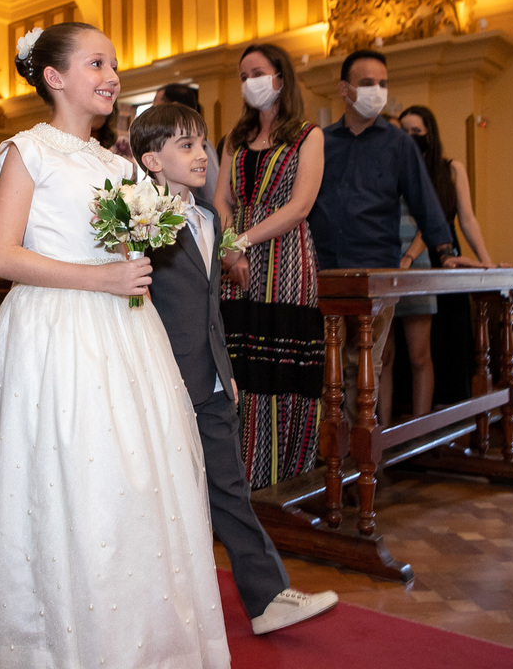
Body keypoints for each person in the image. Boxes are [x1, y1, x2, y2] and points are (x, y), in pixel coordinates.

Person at [0, 22, 229, 668]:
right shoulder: (29, 151)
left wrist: (139, 250)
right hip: (56, 328)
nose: (111, 74)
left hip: (127, 330)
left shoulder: (119, 163)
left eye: (113, 63)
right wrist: (99, 277)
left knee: (136, 476)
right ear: (54, 77)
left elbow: (137, 244)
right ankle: (50, 629)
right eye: (96, 62)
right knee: (70, 472)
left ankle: (143, 624)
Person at [132, 102, 338, 635]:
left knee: (229, 487)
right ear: (151, 161)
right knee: (156, 495)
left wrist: (228, 372)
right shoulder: (139, 224)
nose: (203, 155)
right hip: (161, 379)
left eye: (202, 143)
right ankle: (148, 605)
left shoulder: (207, 220)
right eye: (186, 146)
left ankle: (268, 598)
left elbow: (209, 309)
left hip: (212, 380)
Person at [309, 50, 480, 420]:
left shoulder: (398, 143)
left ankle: (361, 458)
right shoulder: (319, 142)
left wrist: (446, 250)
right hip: (325, 271)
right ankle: (328, 455)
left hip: (376, 274)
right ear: (344, 89)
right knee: (328, 368)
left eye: (383, 84)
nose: (377, 91)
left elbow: (425, 201)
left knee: (364, 367)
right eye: (367, 84)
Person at [213, 44, 325, 489]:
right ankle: (239, 481)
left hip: (286, 259)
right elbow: (221, 200)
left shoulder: (307, 135)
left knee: (281, 370)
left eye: (256, 72)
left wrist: (242, 240)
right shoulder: (234, 138)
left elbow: (300, 206)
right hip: (234, 262)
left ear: (280, 77)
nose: (249, 82)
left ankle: (285, 481)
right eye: (243, 76)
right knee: (239, 367)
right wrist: (227, 247)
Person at [400, 104, 502, 407]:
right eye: (403, 132)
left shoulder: (450, 168)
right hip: (410, 258)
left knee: (447, 339)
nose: (409, 137)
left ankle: (450, 413)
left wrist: (486, 261)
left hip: (444, 254)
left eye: (415, 132)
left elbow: (467, 219)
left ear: (430, 134)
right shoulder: (398, 170)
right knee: (412, 347)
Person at [378, 197, 437, 425]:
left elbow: (429, 221)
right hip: (381, 264)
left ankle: (420, 430)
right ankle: (382, 430)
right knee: (383, 356)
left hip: (417, 264)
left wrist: (408, 258)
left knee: (419, 356)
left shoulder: (416, 169)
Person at [152, 82, 219, 204]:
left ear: (174, 107)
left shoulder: (204, 147)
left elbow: (213, 192)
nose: (154, 110)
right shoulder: (157, 146)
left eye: (157, 105)